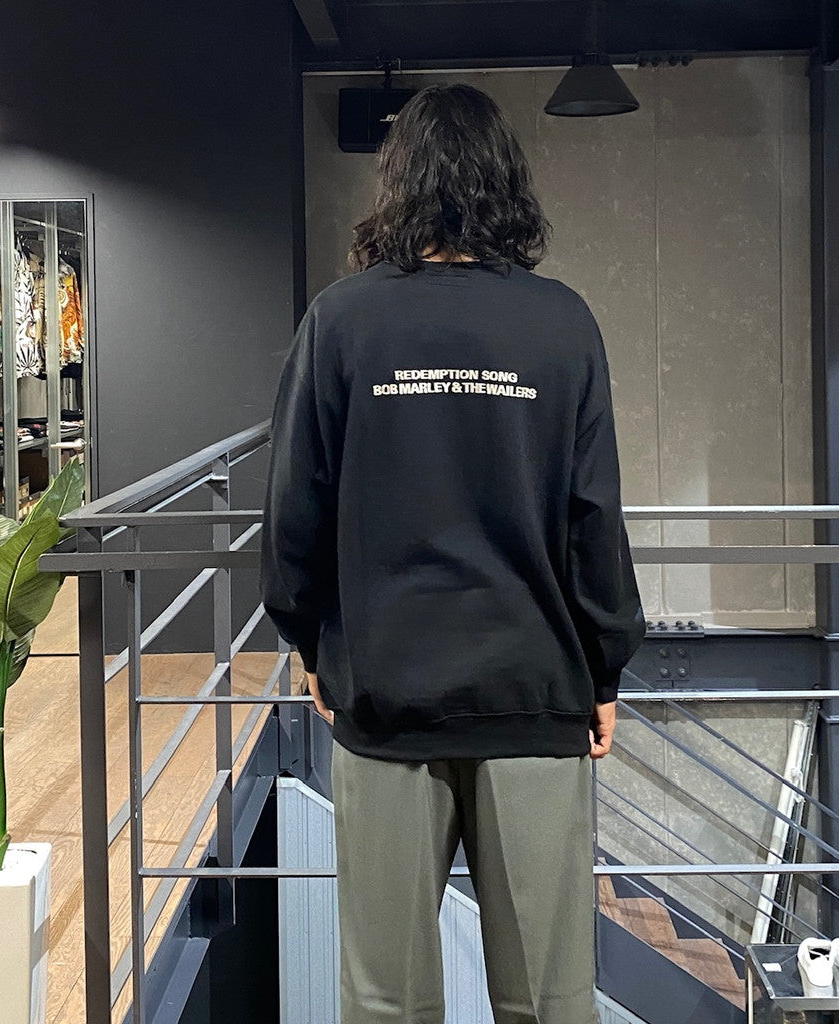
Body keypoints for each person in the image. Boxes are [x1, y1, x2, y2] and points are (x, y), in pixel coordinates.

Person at [261, 81, 646, 1024]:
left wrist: (308, 638)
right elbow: (593, 514)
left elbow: (296, 504)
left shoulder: (341, 321)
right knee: (551, 1001)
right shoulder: (562, 322)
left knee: (385, 1003)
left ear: (399, 183)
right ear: (505, 182)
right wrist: (605, 665)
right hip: (534, 691)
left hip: (388, 695)